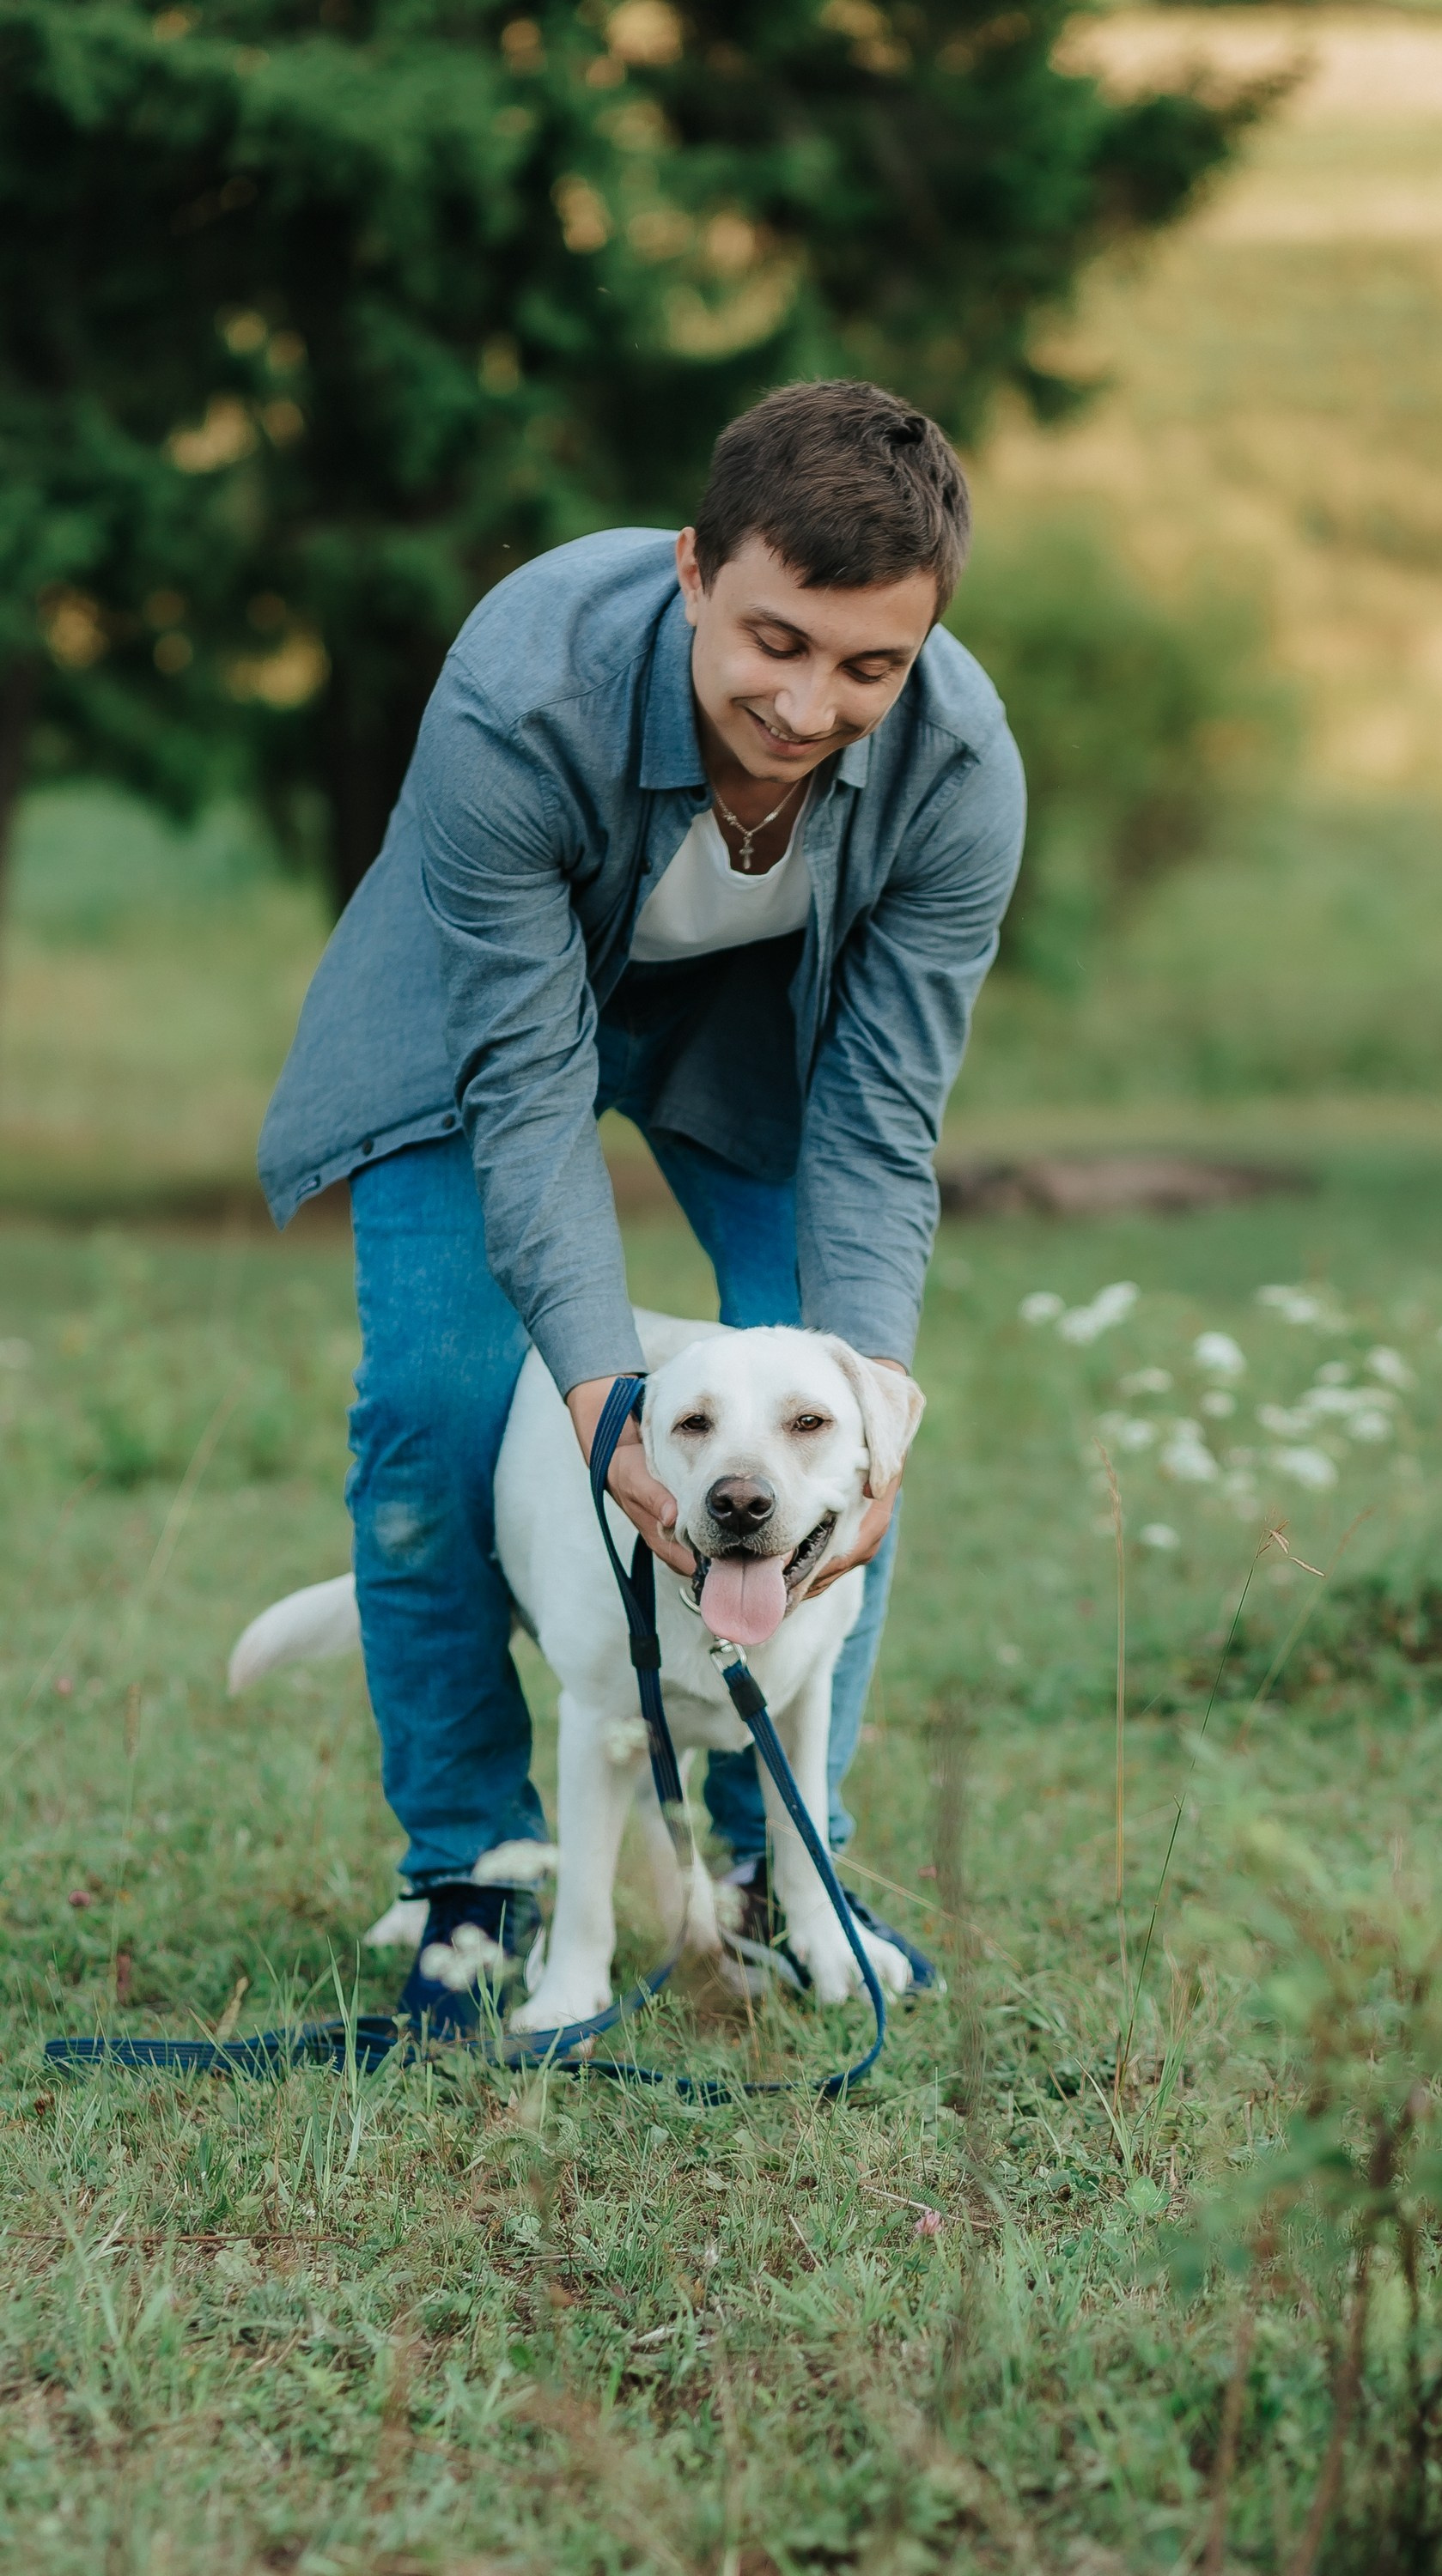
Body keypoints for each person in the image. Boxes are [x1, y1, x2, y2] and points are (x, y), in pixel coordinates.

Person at [259, 379, 1025, 2033]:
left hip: (749, 1029)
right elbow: (530, 1094)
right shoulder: (519, 694)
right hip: (484, 1009)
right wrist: (606, 1398)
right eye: (775, 642)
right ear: (693, 571)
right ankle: (474, 1872)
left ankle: (768, 1872)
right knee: (439, 1407)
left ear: (925, 643)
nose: (809, 705)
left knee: (835, 1407)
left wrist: (872, 1402)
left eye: (870, 667)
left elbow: (883, 1121)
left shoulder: (962, 772)